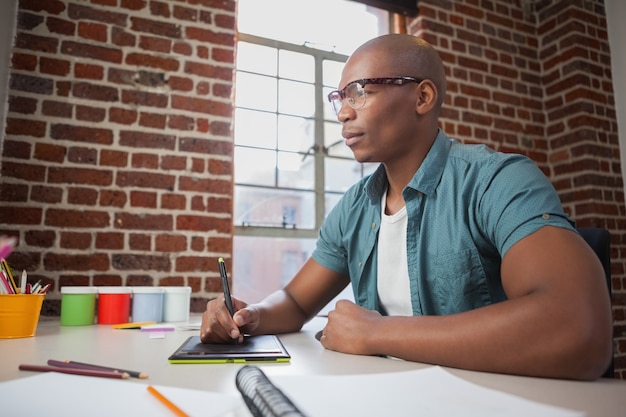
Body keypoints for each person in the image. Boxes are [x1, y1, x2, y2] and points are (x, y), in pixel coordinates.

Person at [201, 34, 613, 380]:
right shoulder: (355, 208)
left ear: (423, 97)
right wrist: (249, 314)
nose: (343, 112)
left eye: (360, 93)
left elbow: (579, 328)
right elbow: (294, 303)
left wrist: (377, 334)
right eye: (339, 98)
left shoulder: (497, 181)